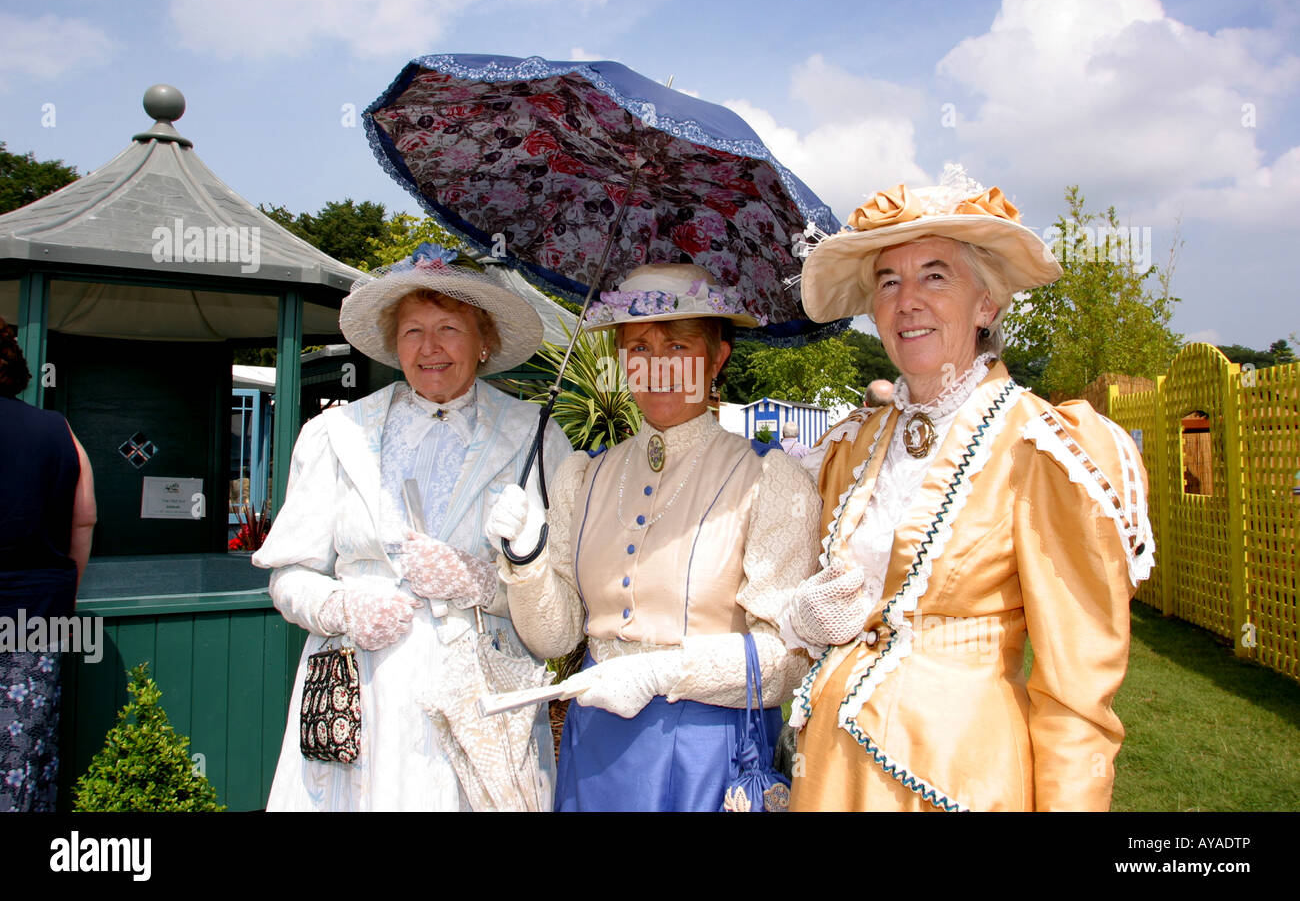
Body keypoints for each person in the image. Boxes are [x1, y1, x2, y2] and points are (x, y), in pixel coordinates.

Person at [783, 166, 1153, 811]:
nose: (908, 300)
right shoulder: (850, 445)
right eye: (889, 281)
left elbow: (1076, 692)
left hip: (957, 781)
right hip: (830, 776)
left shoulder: (1043, 449)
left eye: (935, 275)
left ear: (988, 303)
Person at [488, 263, 821, 812]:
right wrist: (525, 560)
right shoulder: (583, 475)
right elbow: (556, 638)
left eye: (679, 345)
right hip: (594, 746)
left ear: (716, 359)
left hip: (711, 754)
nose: (659, 366)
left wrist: (659, 671)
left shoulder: (769, 478)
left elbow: (788, 659)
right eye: (639, 346)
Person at [253, 244, 571, 811]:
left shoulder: (537, 439)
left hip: (480, 701)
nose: (430, 348)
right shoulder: (337, 434)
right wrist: (339, 607)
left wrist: (485, 585)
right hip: (361, 694)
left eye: (450, 328)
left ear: (485, 340)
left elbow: (564, 599)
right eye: (412, 331)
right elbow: (289, 575)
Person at [0, 318, 96, 812]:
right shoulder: (57, 430)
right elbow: (85, 520)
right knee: (22, 759)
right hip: (36, 615)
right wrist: (69, 593)